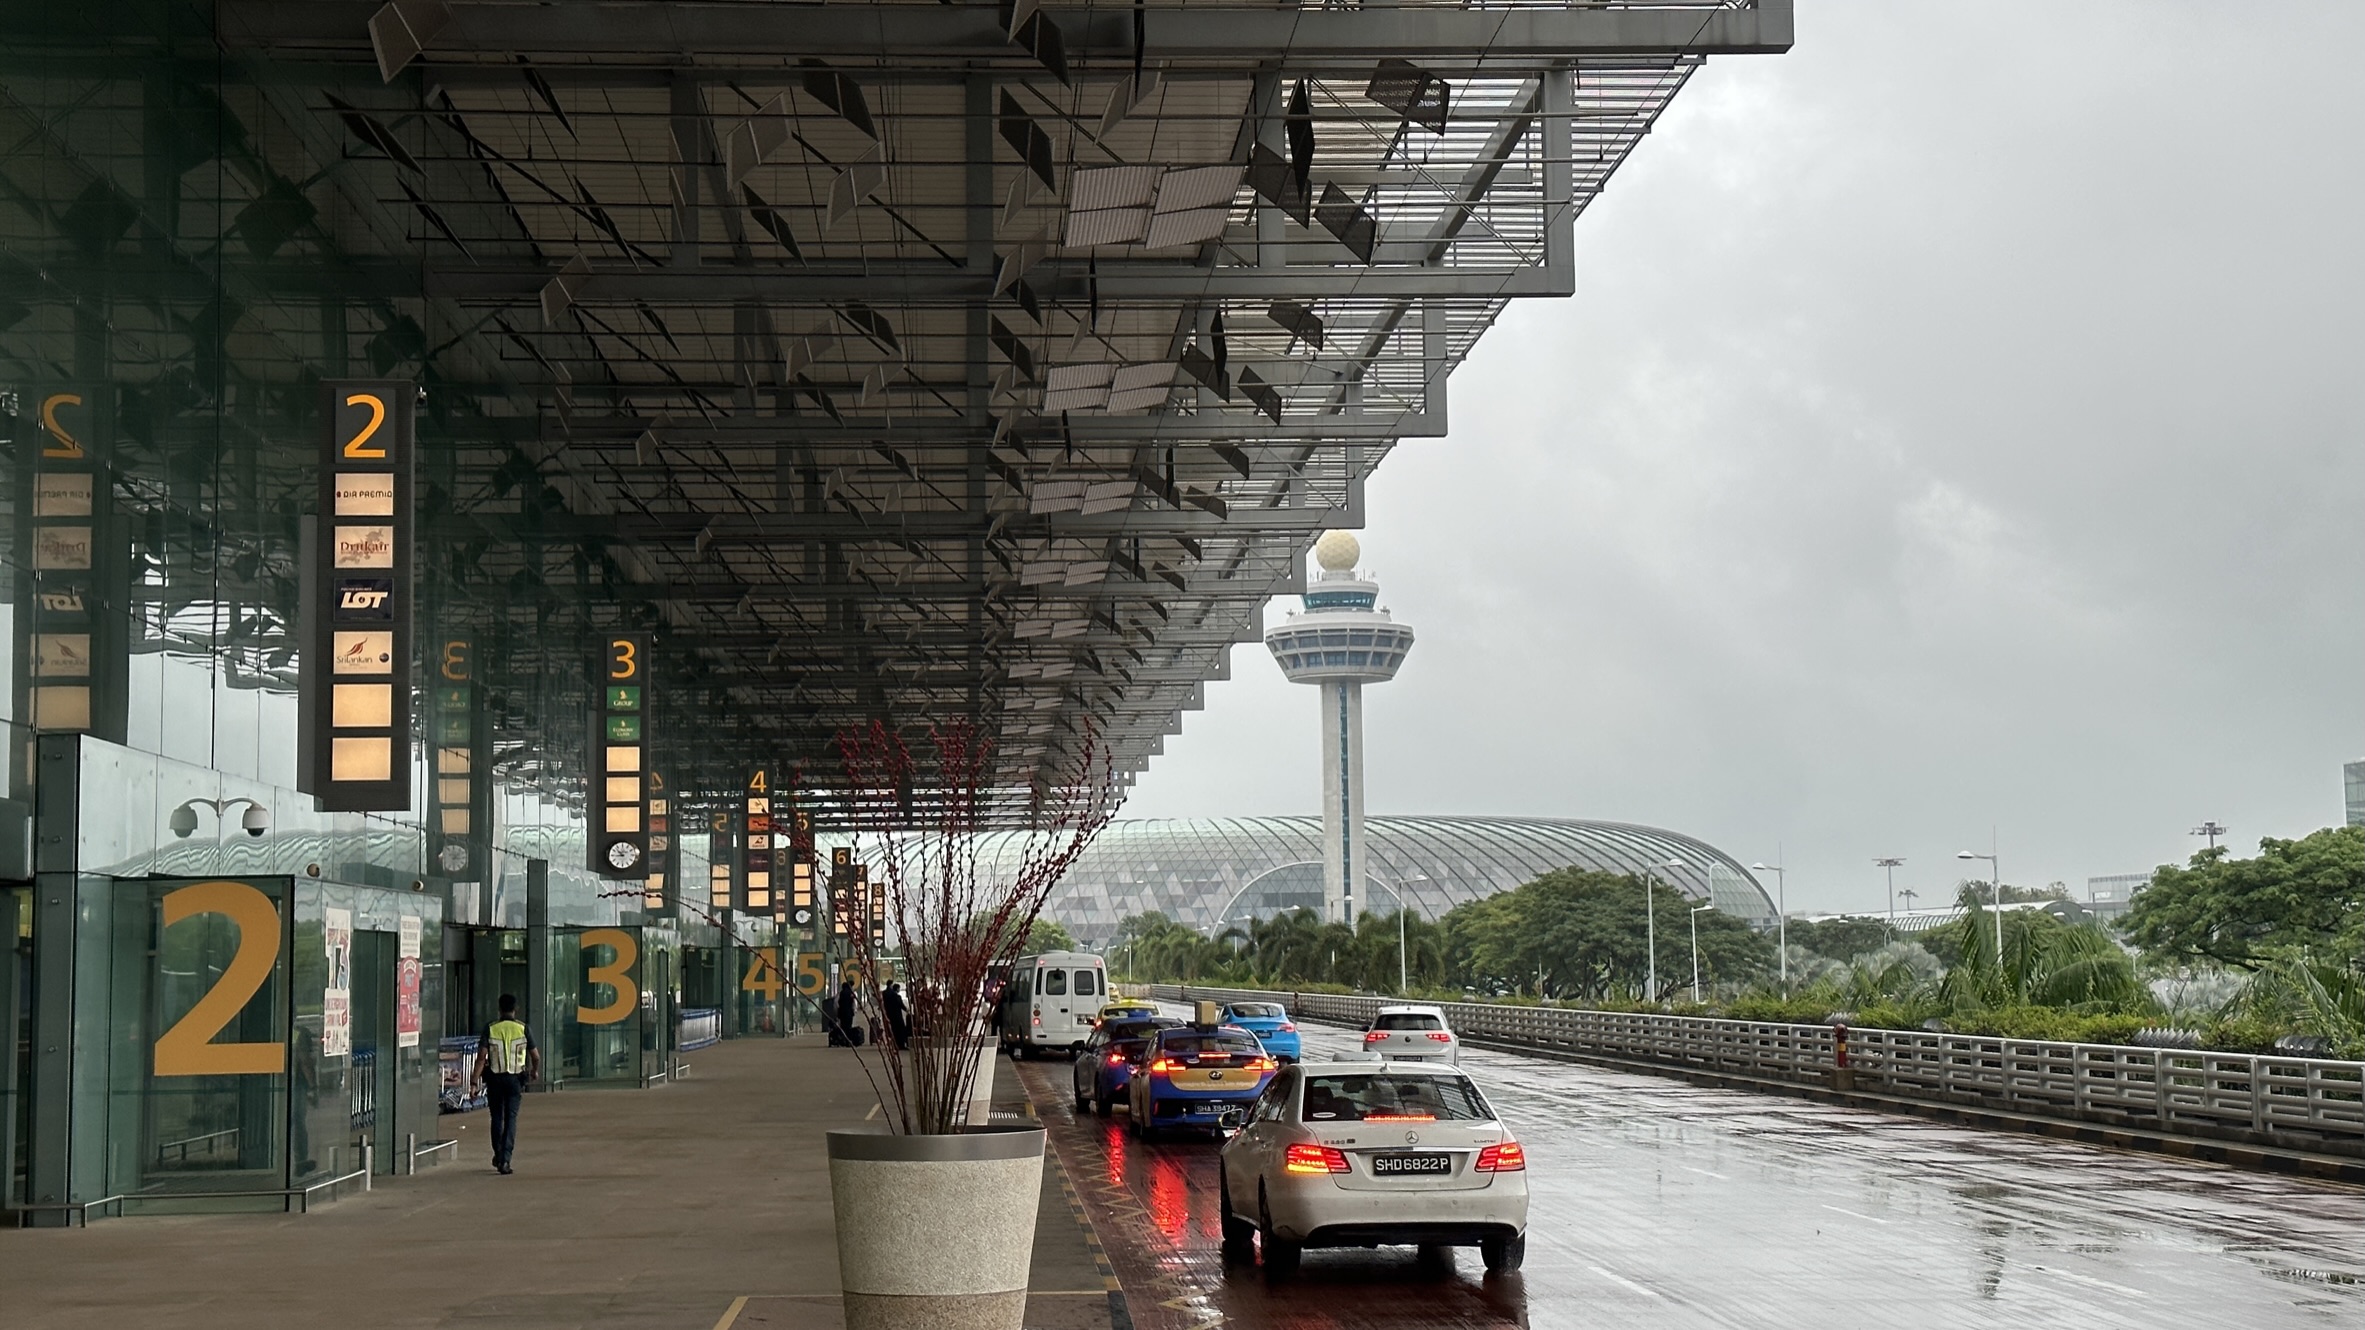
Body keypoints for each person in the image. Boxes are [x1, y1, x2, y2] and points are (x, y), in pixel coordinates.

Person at [471, 994, 538, 1174]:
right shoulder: (523, 1028)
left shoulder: (490, 1028)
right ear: (516, 1009)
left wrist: (473, 1083)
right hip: (515, 1080)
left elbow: (481, 1058)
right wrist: (534, 1071)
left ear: (499, 1009)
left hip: (494, 1079)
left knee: (496, 1118)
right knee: (511, 1118)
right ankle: (505, 1159)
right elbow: (535, 1056)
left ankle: (498, 1154)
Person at [882, 981, 912, 1049]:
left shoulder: (885, 993)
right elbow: (900, 1005)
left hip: (889, 1014)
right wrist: (907, 1010)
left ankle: (894, 1044)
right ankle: (901, 1044)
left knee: (894, 1030)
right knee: (901, 1029)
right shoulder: (896, 996)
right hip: (897, 1015)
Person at [834, 978, 858, 1047]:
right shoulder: (851, 994)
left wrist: (837, 1013)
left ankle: (842, 1040)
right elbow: (854, 1004)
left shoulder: (840, 993)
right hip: (849, 1013)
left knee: (843, 1026)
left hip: (841, 1013)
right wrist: (854, 1011)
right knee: (849, 1027)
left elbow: (836, 1003)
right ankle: (848, 1041)